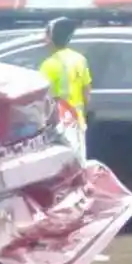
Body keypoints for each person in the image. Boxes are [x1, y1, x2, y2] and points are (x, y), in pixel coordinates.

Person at [40, 17, 93, 161]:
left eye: (46, 34)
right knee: (79, 164)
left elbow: (42, 99)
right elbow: (87, 92)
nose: (43, 39)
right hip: (77, 121)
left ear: (52, 37)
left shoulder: (49, 65)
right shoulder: (79, 59)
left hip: (59, 127)